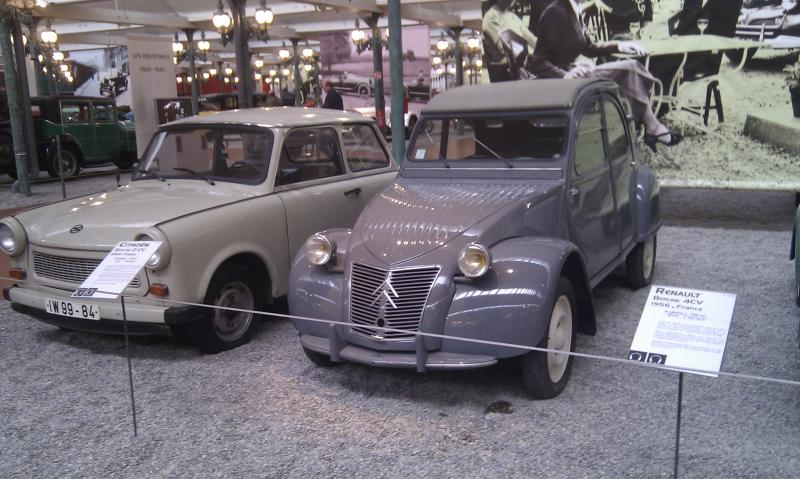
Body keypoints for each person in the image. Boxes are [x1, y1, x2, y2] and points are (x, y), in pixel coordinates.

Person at [527, 0, 681, 151]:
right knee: (629, 69)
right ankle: (650, 127)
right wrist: (565, 75)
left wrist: (620, 46)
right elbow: (537, 61)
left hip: (578, 75)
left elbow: (588, 47)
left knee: (631, 68)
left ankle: (648, 125)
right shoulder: (555, 12)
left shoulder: (573, 8)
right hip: (567, 84)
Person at [482, 0, 539, 82]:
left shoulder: (511, 16)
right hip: (505, 71)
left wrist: (545, 49)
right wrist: (532, 55)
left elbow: (530, 37)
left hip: (521, 63)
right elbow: (505, 47)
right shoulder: (490, 17)